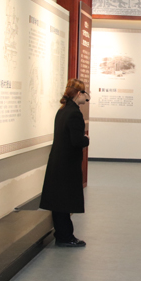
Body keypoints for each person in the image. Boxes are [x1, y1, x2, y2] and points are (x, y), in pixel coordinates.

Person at [39, 78, 91, 247]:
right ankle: (65, 237)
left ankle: (62, 234)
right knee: (64, 201)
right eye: (84, 93)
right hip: (67, 164)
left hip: (58, 161)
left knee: (59, 201)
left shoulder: (62, 110)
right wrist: (86, 139)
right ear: (78, 94)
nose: (86, 97)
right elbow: (76, 141)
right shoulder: (74, 113)